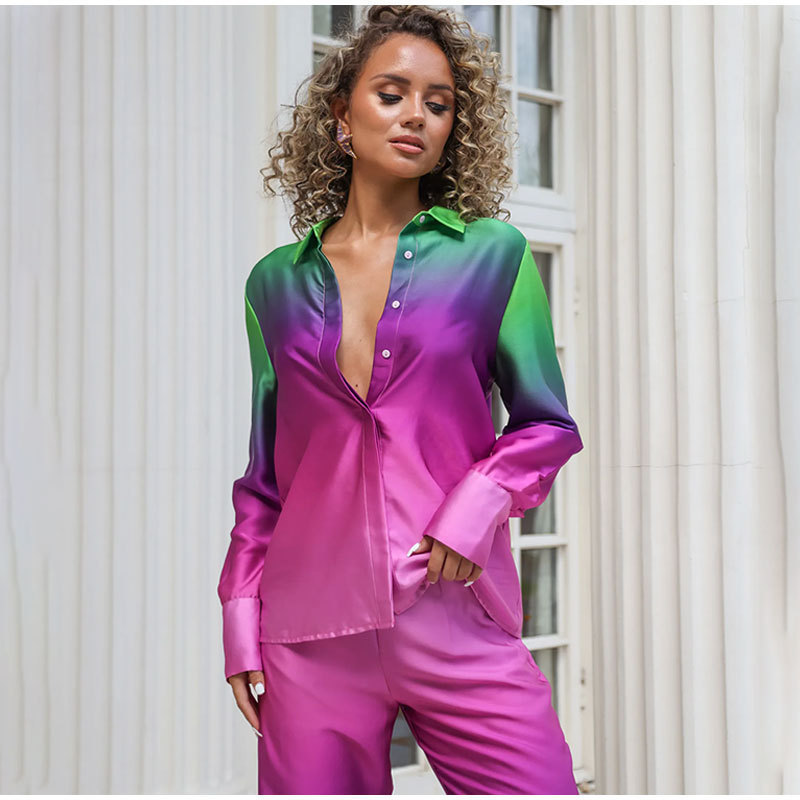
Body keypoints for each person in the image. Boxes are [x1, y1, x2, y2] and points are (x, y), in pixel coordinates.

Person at [217, 5, 584, 794]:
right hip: (309, 632)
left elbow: (546, 424)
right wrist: (241, 616)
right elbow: (265, 481)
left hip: (453, 606)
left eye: (438, 103)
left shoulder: (493, 256)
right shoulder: (272, 285)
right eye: (392, 94)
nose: (417, 114)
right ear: (340, 115)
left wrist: (476, 504)